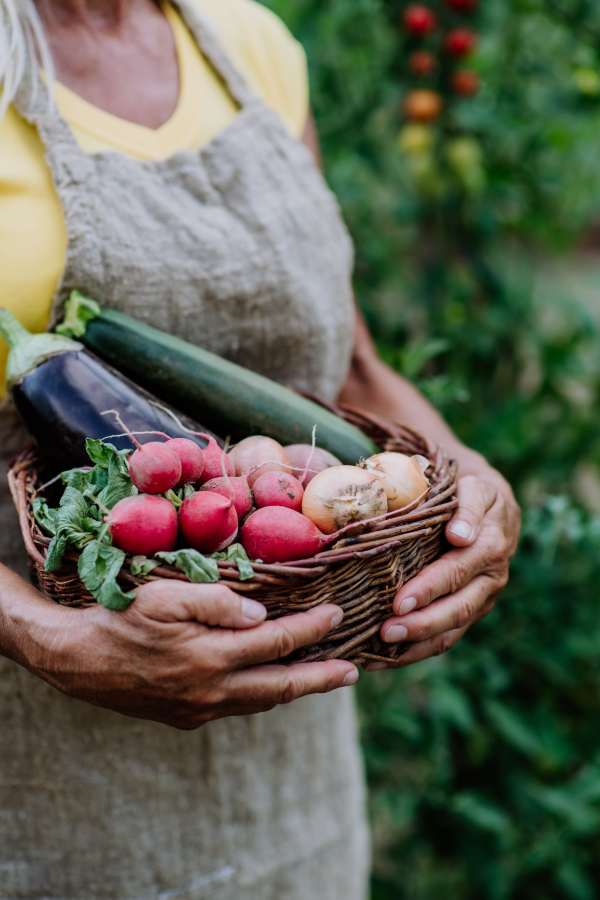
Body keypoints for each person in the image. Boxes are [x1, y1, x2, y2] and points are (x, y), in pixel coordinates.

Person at [0, 0, 520, 897]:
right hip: (36, 791)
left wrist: (466, 480)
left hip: (296, 786)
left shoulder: (248, 41)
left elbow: (349, 365)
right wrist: (43, 632)